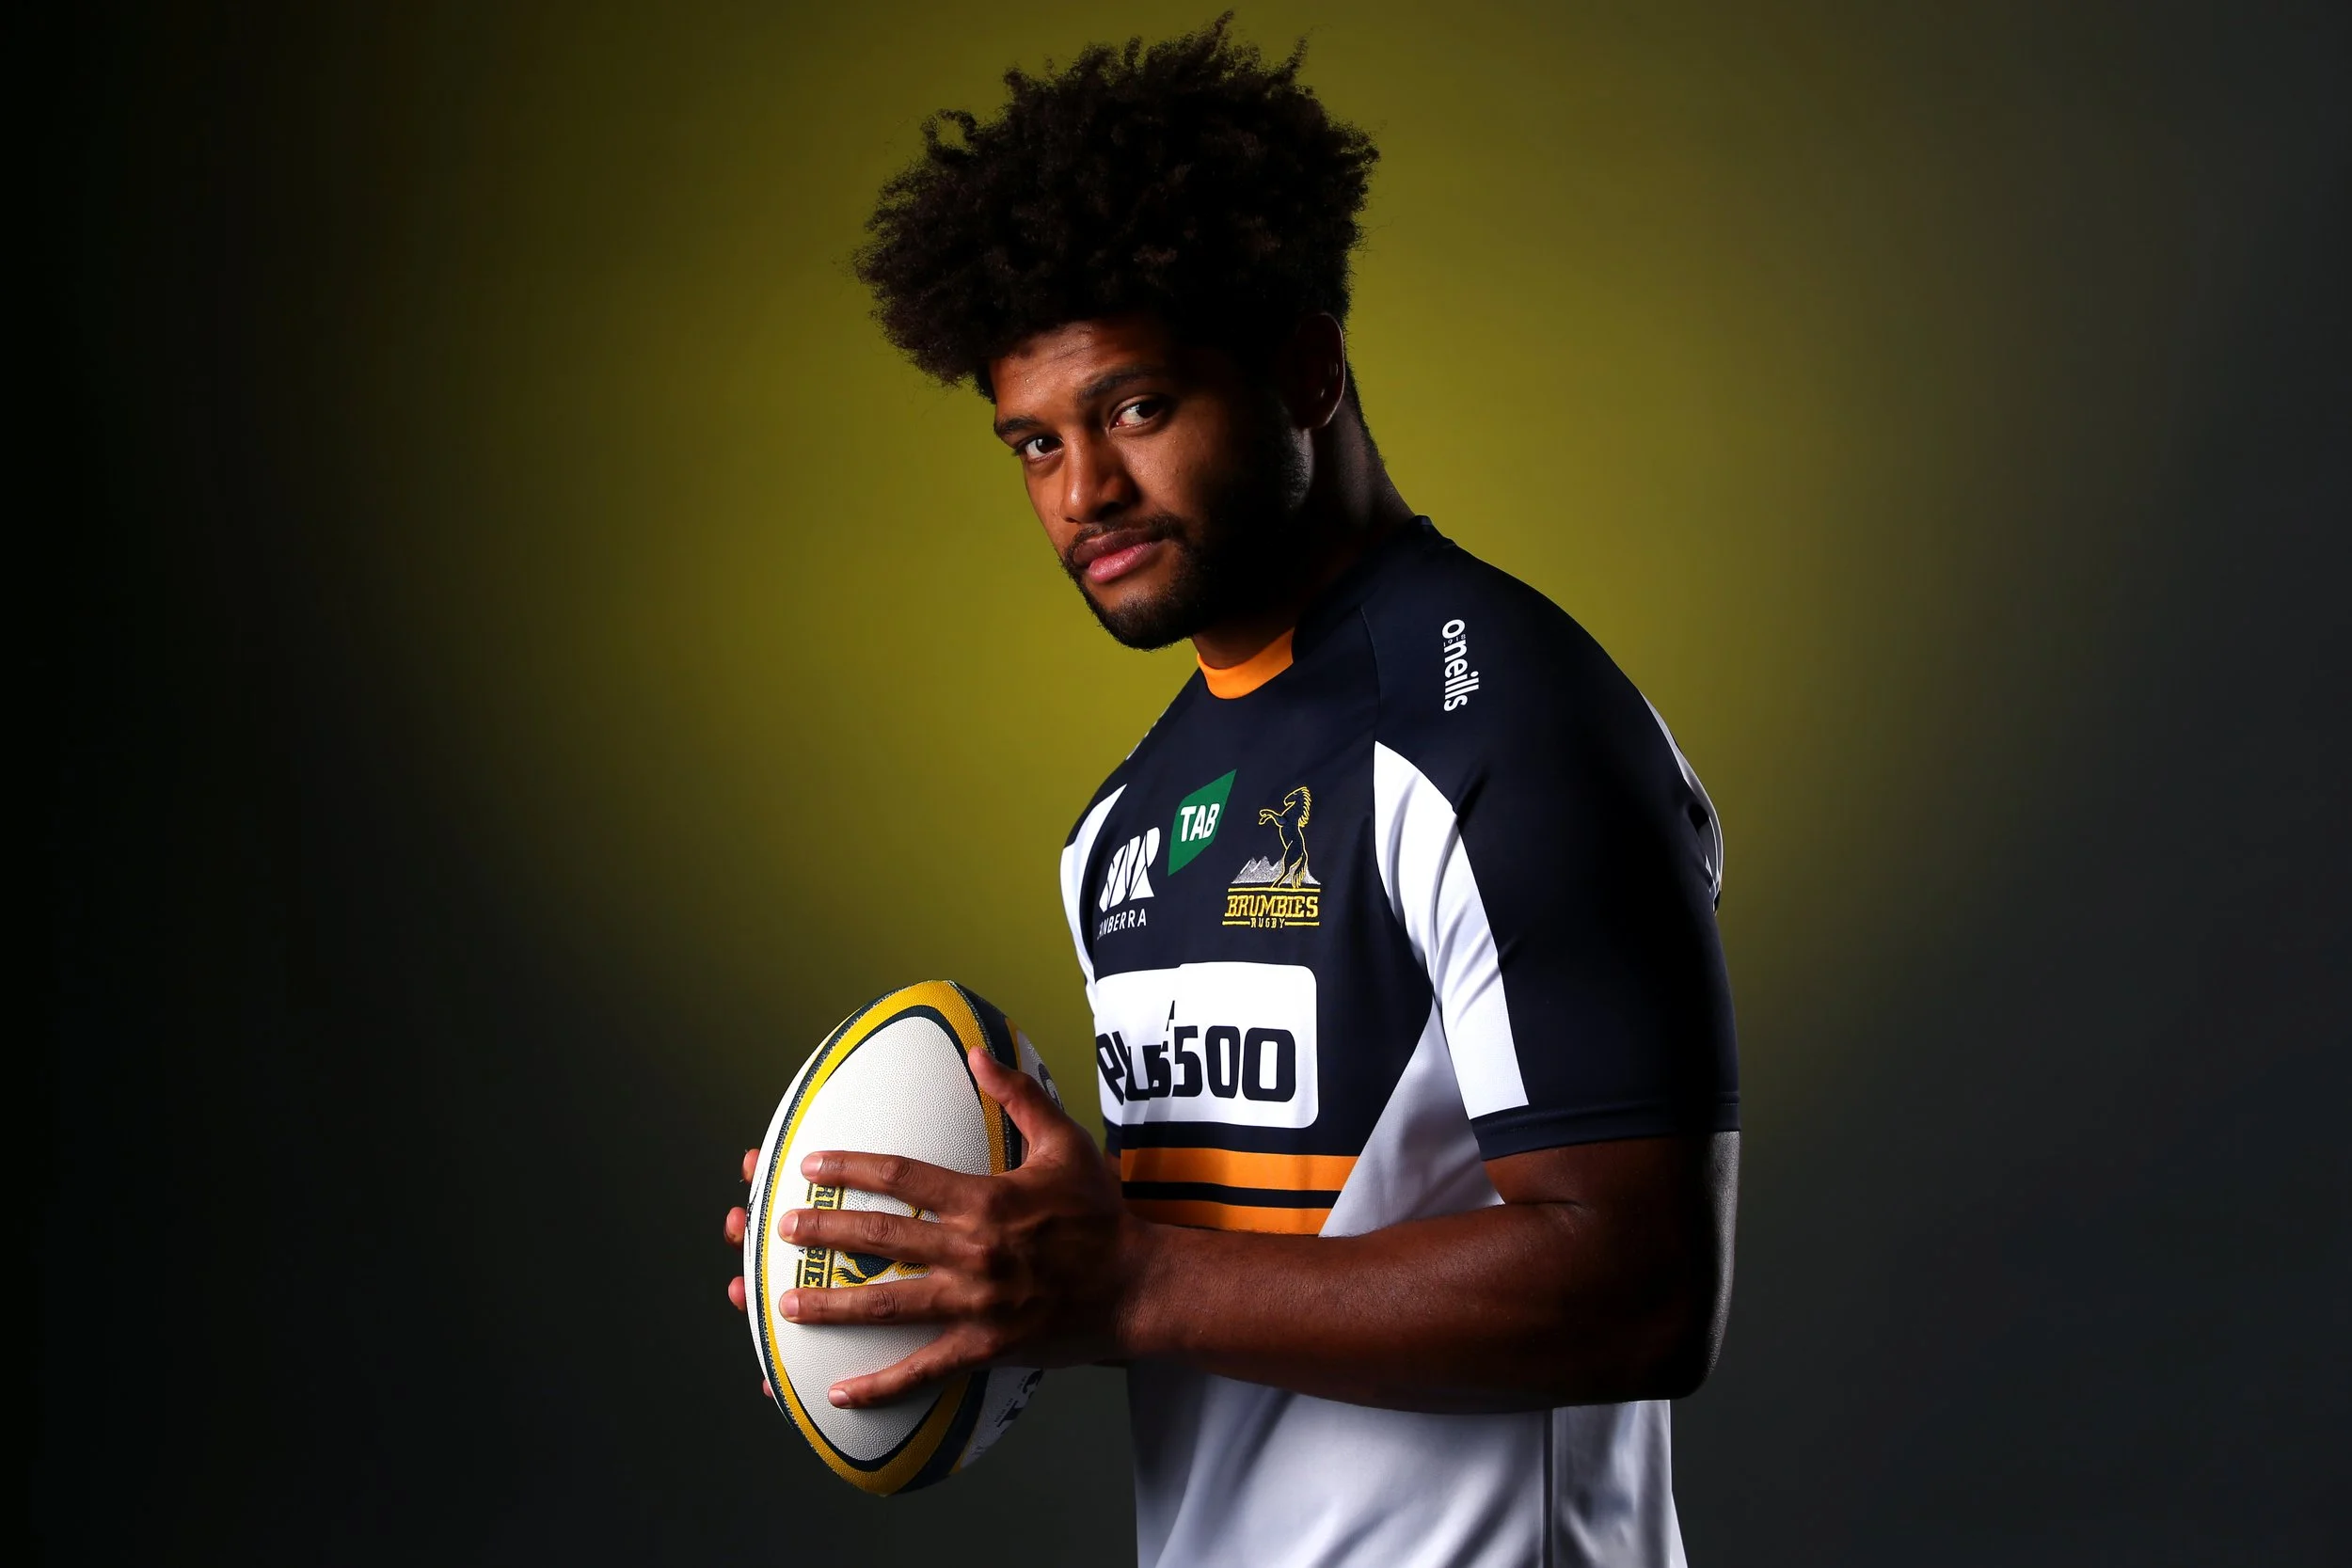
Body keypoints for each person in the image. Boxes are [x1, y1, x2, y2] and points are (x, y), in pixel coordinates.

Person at [723, 21, 1739, 1567]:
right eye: (1034, 443)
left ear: (1305, 365)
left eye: (1133, 409)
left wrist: (1124, 1287)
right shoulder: (1124, 828)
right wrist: (931, 1248)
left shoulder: (1508, 723)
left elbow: (1645, 1285)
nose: (1082, 494)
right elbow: (1213, 1269)